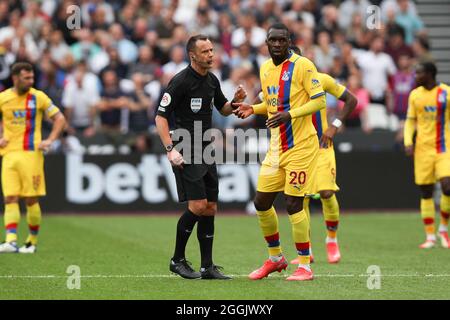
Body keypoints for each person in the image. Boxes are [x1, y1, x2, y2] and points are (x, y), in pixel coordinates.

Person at [234, 23, 326, 281]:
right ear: (266, 42)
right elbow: (273, 104)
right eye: (272, 40)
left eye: (281, 40)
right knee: (261, 202)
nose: (276, 44)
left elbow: (320, 100)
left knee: (293, 203)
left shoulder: (304, 65)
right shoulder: (265, 69)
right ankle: (276, 259)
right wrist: (254, 108)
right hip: (276, 148)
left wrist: (290, 114)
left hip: (302, 147)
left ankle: (305, 266)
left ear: (289, 41)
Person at [155, 35, 246, 280]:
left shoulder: (212, 80)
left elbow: (223, 108)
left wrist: (235, 102)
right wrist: (170, 149)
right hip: (185, 145)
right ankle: (177, 260)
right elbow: (161, 116)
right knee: (197, 205)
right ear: (192, 55)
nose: (211, 55)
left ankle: (207, 267)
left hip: (206, 147)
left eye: (212, 50)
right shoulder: (181, 82)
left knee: (210, 208)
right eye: (205, 51)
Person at [290, 71, 357, 264]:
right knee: (301, 197)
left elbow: (351, 100)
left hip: (321, 146)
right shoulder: (280, 84)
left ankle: (332, 240)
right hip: (298, 149)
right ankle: (306, 250)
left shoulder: (321, 79)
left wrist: (334, 125)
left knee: (326, 192)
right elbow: (262, 100)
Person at [0, 62, 66, 253]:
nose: (30, 81)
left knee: (30, 200)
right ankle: (11, 241)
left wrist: (51, 140)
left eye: (32, 78)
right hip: (9, 154)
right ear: (15, 78)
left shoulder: (38, 97)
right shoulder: (3, 98)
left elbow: (60, 118)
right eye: (26, 78)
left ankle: (31, 241)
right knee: (10, 198)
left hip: (31, 154)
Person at [404, 62, 450, 249]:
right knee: (426, 191)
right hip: (422, 149)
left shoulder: (446, 93)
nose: (416, 75)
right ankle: (430, 236)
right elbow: (410, 121)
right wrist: (408, 141)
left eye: (419, 72)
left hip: (443, 148)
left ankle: (444, 229)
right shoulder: (415, 95)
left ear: (430, 74)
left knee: (447, 187)